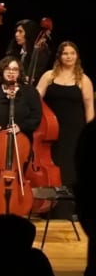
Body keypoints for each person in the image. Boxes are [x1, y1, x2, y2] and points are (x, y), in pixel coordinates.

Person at [37, 42, 95, 219]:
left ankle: (68, 209)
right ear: (59, 57)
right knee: (53, 165)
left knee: (70, 167)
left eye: (72, 53)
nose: (69, 57)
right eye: (65, 54)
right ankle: (48, 207)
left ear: (77, 56)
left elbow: (89, 107)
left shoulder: (83, 79)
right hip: (51, 131)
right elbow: (35, 98)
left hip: (74, 131)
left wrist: (90, 133)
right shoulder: (49, 76)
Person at [0, 56, 42, 180]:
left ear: (20, 72)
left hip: (21, 143)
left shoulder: (30, 92)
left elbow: (36, 117)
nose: (11, 72)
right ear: (1, 71)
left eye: (15, 69)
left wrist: (20, 127)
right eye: (8, 69)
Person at [7, 19, 52, 86]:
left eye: (20, 31)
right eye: (16, 31)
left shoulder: (40, 54)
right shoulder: (14, 52)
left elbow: (36, 77)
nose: (16, 34)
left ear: (29, 33)